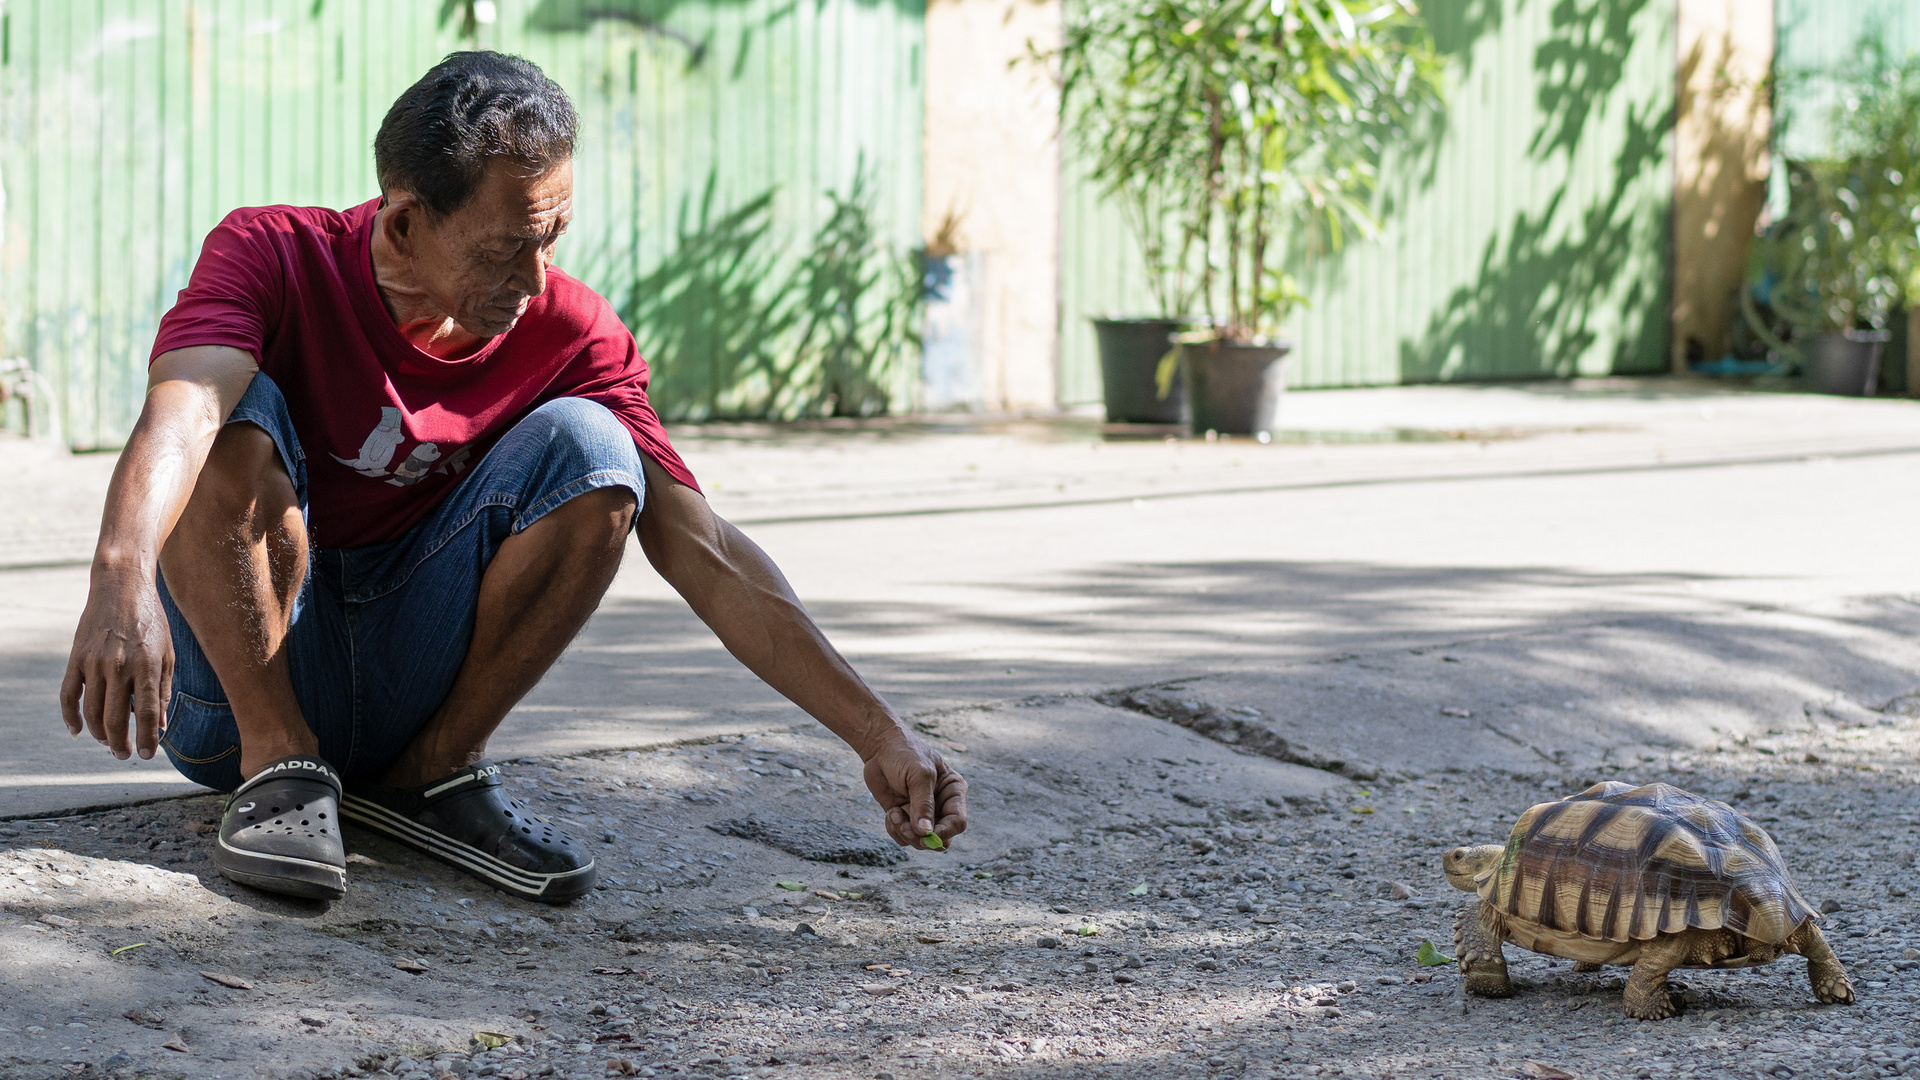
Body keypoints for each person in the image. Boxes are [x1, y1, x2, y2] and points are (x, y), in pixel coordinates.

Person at [58, 51, 967, 904]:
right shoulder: (274, 254)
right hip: (238, 686)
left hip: (406, 677)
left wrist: (879, 733)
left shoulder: (573, 333)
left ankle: (433, 775)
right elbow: (182, 410)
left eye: (553, 237)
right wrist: (120, 575)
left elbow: (709, 551)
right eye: (506, 248)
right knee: (231, 412)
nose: (536, 279)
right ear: (406, 221)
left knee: (599, 453)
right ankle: (281, 767)